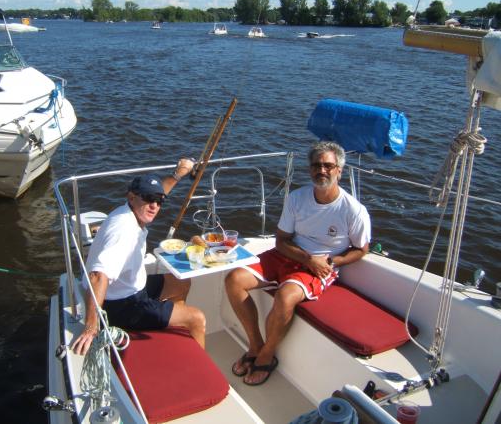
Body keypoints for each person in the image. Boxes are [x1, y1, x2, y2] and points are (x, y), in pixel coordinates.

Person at [225, 141, 371, 386]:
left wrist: (331, 260)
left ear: (339, 171)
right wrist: (306, 258)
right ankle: (255, 344)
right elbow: (281, 241)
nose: (321, 170)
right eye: (316, 165)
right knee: (234, 279)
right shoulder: (297, 198)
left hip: (322, 264)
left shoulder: (353, 210)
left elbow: (361, 249)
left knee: (286, 295)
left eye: (328, 165)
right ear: (310, 169)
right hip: (292, 255)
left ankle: (266, 355)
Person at [71, 158, 206, 356]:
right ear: (132, 197)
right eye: (149, 198)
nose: (154, 206)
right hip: (121, 306)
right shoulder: (124, 231)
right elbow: (97, 277)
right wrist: (91, 327)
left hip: (132, 291)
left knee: (180, 282)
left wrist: (178, 174)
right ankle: (198, 368)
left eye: (159, 201)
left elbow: (158, 194)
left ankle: (169, 329)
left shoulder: (129, 210)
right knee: (197, 318)